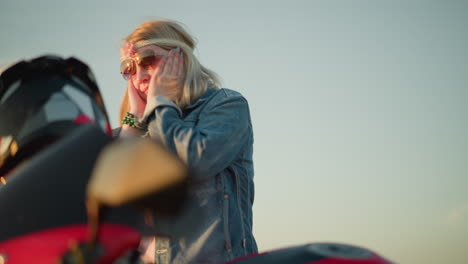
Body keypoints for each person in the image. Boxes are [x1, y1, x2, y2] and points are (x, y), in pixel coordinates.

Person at [116, 19, 257, 263]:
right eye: (129, 68)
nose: (139, 75)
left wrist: (160, 104)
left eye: (146, 61)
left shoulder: (226, 105)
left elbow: (194, 161)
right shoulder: (138, 129)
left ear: (179, 59)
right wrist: (133, 124)